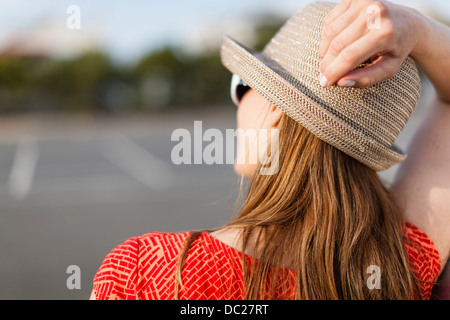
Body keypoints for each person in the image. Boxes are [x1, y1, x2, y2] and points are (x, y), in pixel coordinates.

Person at [90, 0, 450, 300]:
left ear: (276, 108)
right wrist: (418, 28)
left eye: (243, 85)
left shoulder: (144, 273)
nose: (237, 103)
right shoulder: (405, 259)